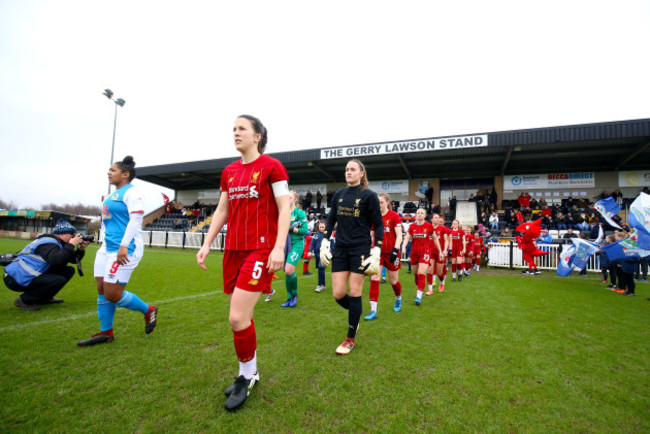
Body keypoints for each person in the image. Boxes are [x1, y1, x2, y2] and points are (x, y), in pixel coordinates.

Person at [196, 115, 290, 410]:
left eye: (241, 129)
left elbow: (284, 207)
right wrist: (207, 242)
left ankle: (246, 375)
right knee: (241, 318)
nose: (235, 133)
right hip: (233, 249)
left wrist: (278, 248)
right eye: (233, 129)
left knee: (237, 317)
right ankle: (249, 373)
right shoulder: (229, 172)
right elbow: (222, 209)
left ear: (257, 136)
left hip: (261, 250)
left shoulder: (273, 167)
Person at [77, 156, 158, 346]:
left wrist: (123, 245)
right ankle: (106, 332)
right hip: (107, 248)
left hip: (125, 249)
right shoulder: (112, 195)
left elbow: (136, 220)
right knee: (101, 290)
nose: (109, 172)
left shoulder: (132, 193)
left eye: (113, 170)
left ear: (125, 174)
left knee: (112, 293)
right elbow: (109, 223)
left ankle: (149, 310)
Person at [319, 159, 383, 355]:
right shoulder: (338, 194)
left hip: (360, 249)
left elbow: (378, 224)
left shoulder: (369, 196)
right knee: (338, 293)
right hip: (341, 249)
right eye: (346, 169)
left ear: (361, 173)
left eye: (352, 169)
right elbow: (331, 220)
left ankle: (350, 338)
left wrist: (377, 249)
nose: (348, 172)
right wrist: (325, 240)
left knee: (355, 292)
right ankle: (357, 312)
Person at [3, 219, 89, 310]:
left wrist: (81, 249)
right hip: (16, 277)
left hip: (24, 274)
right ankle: (25, 300)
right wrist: (71, 244)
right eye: (71, 235)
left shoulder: (57, 243)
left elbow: (72, 259)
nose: (72, 238)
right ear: (62, 234)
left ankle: (44, 298)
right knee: (58, 279)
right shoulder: (48, 243)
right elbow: (56, 260)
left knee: (68, 271)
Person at [365, 193, 403, 320]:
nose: (378, 204)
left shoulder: (394, 216)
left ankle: (398, 298)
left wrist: (395, 249)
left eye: (381, 202)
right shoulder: (374, 217)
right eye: (377, 202)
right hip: (378, 253)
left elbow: (399, 235)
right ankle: (373, 311)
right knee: (375, 278)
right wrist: (370, 249)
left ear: (387, 203)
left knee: (393, 281)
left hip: (392, 253)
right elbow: (371, 235)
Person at [279, 190, 308, 307]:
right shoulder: (283, 212)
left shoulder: (299, 213)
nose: (287, 199)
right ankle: (289, 297)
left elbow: (305, 231)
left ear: (295, 199)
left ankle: (294, 295)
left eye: (290, 197)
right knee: (287, 271)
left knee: (289, 269)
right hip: (285, 244)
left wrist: (292, 229)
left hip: (297, 244)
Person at [402, 208, 437, 305]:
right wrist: (403, 247)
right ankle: (420, 289)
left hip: (425, 252)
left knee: (422, 273)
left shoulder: (429, 226)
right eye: (418, 213)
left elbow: (435, 239)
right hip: (414, 252)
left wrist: (441, 251)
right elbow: (407, 237)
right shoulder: (412, 226)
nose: (420, 214)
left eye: (422, 213)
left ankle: (418, 296)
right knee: (416, 275)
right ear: (416, 215)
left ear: (425, 215)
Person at [426, 213, 450, 294]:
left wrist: (444, 250)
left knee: (440, 272)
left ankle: (442, 282)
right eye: (435, 218)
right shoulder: (428, 228)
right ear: (431, 219)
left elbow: (446, 240)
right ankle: (430, 289)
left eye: (438, 218)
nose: (438, 219)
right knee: (430, 270)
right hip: (430, 252)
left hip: (440, 252)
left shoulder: (442, 229)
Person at [308, 221, 327, 292]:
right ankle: (323, 285)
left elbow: (332, 244)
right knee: (321, 269)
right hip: (317, 255)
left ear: (325, 227)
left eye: (323, 227)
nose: (321, 228)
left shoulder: (328, 234)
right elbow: (312, 244)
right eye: (320, 227)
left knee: (320, 268)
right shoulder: (316, 235)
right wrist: (310, 251)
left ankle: (319, 285)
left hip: (324, 254)